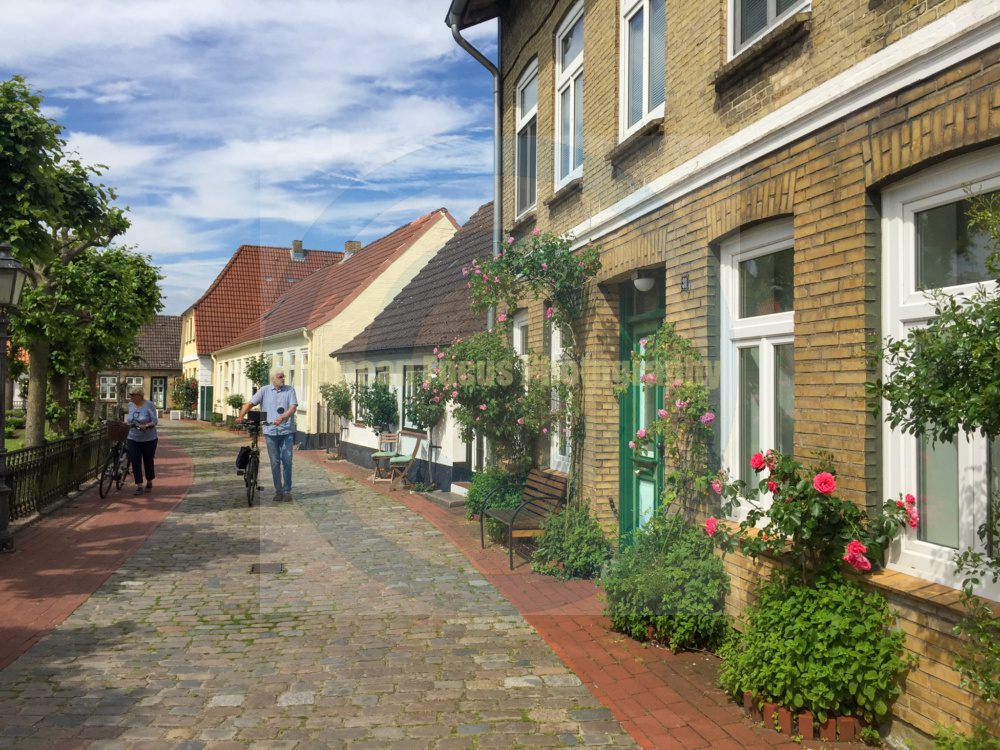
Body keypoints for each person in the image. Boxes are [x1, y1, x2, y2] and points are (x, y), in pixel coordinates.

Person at [237, 369, 298, 502]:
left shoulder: (290, 390)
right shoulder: (264, 390)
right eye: (280, 377)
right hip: (270, 432)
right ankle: (278, 491)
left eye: (284, 376)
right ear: (273, 379)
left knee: (287, 461)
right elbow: (251, 403)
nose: (283, 378)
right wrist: (241, 416)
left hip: (286, 431)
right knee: (275, 462)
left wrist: (281, 418)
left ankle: (287, 491)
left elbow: (293, 408)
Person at [126, 387, 158, 496]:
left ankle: (149, 481)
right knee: (135, 461)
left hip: (149, 439)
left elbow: (155, 421)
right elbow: (129, 419)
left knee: (148, 461)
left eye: (132, 395)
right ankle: (139, 485)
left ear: (139, 395)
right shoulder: (130, 405)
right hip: (133, 438)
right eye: (130, 395)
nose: (130, 397)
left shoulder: (149, 405)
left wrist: (146, 425)